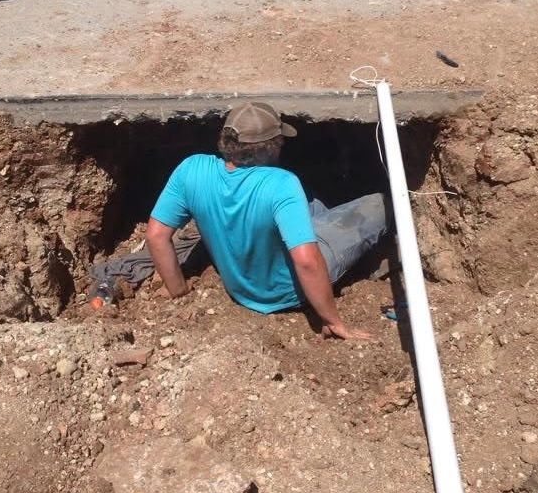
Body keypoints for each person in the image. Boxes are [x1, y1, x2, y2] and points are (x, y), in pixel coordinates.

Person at [146, 101, 390, 340]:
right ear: (270, 147)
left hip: (239, 288)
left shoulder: (192, 169)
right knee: (380, 204)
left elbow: (156, 235)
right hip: (286, 291)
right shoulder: (282, 184)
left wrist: (177, 289)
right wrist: (333, 321)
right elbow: (306, 262)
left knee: (311, 204)